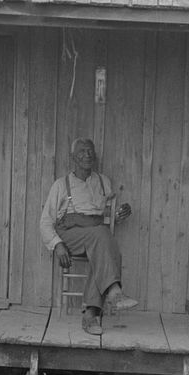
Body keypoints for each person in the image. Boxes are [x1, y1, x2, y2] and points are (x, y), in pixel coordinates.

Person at [40, 137, 139, 335]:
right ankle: (114, 291)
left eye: (90, 151)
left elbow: (106, 216)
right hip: (69, 234)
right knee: (104, 241)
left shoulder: (103, 182)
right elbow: (45, 221)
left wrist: (118, 214)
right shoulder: (61, 185)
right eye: (82, 151)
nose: (88, 155)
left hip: (95, 235)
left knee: (103, 250)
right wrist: (57, 245)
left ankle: (90, 316)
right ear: (73, 158)